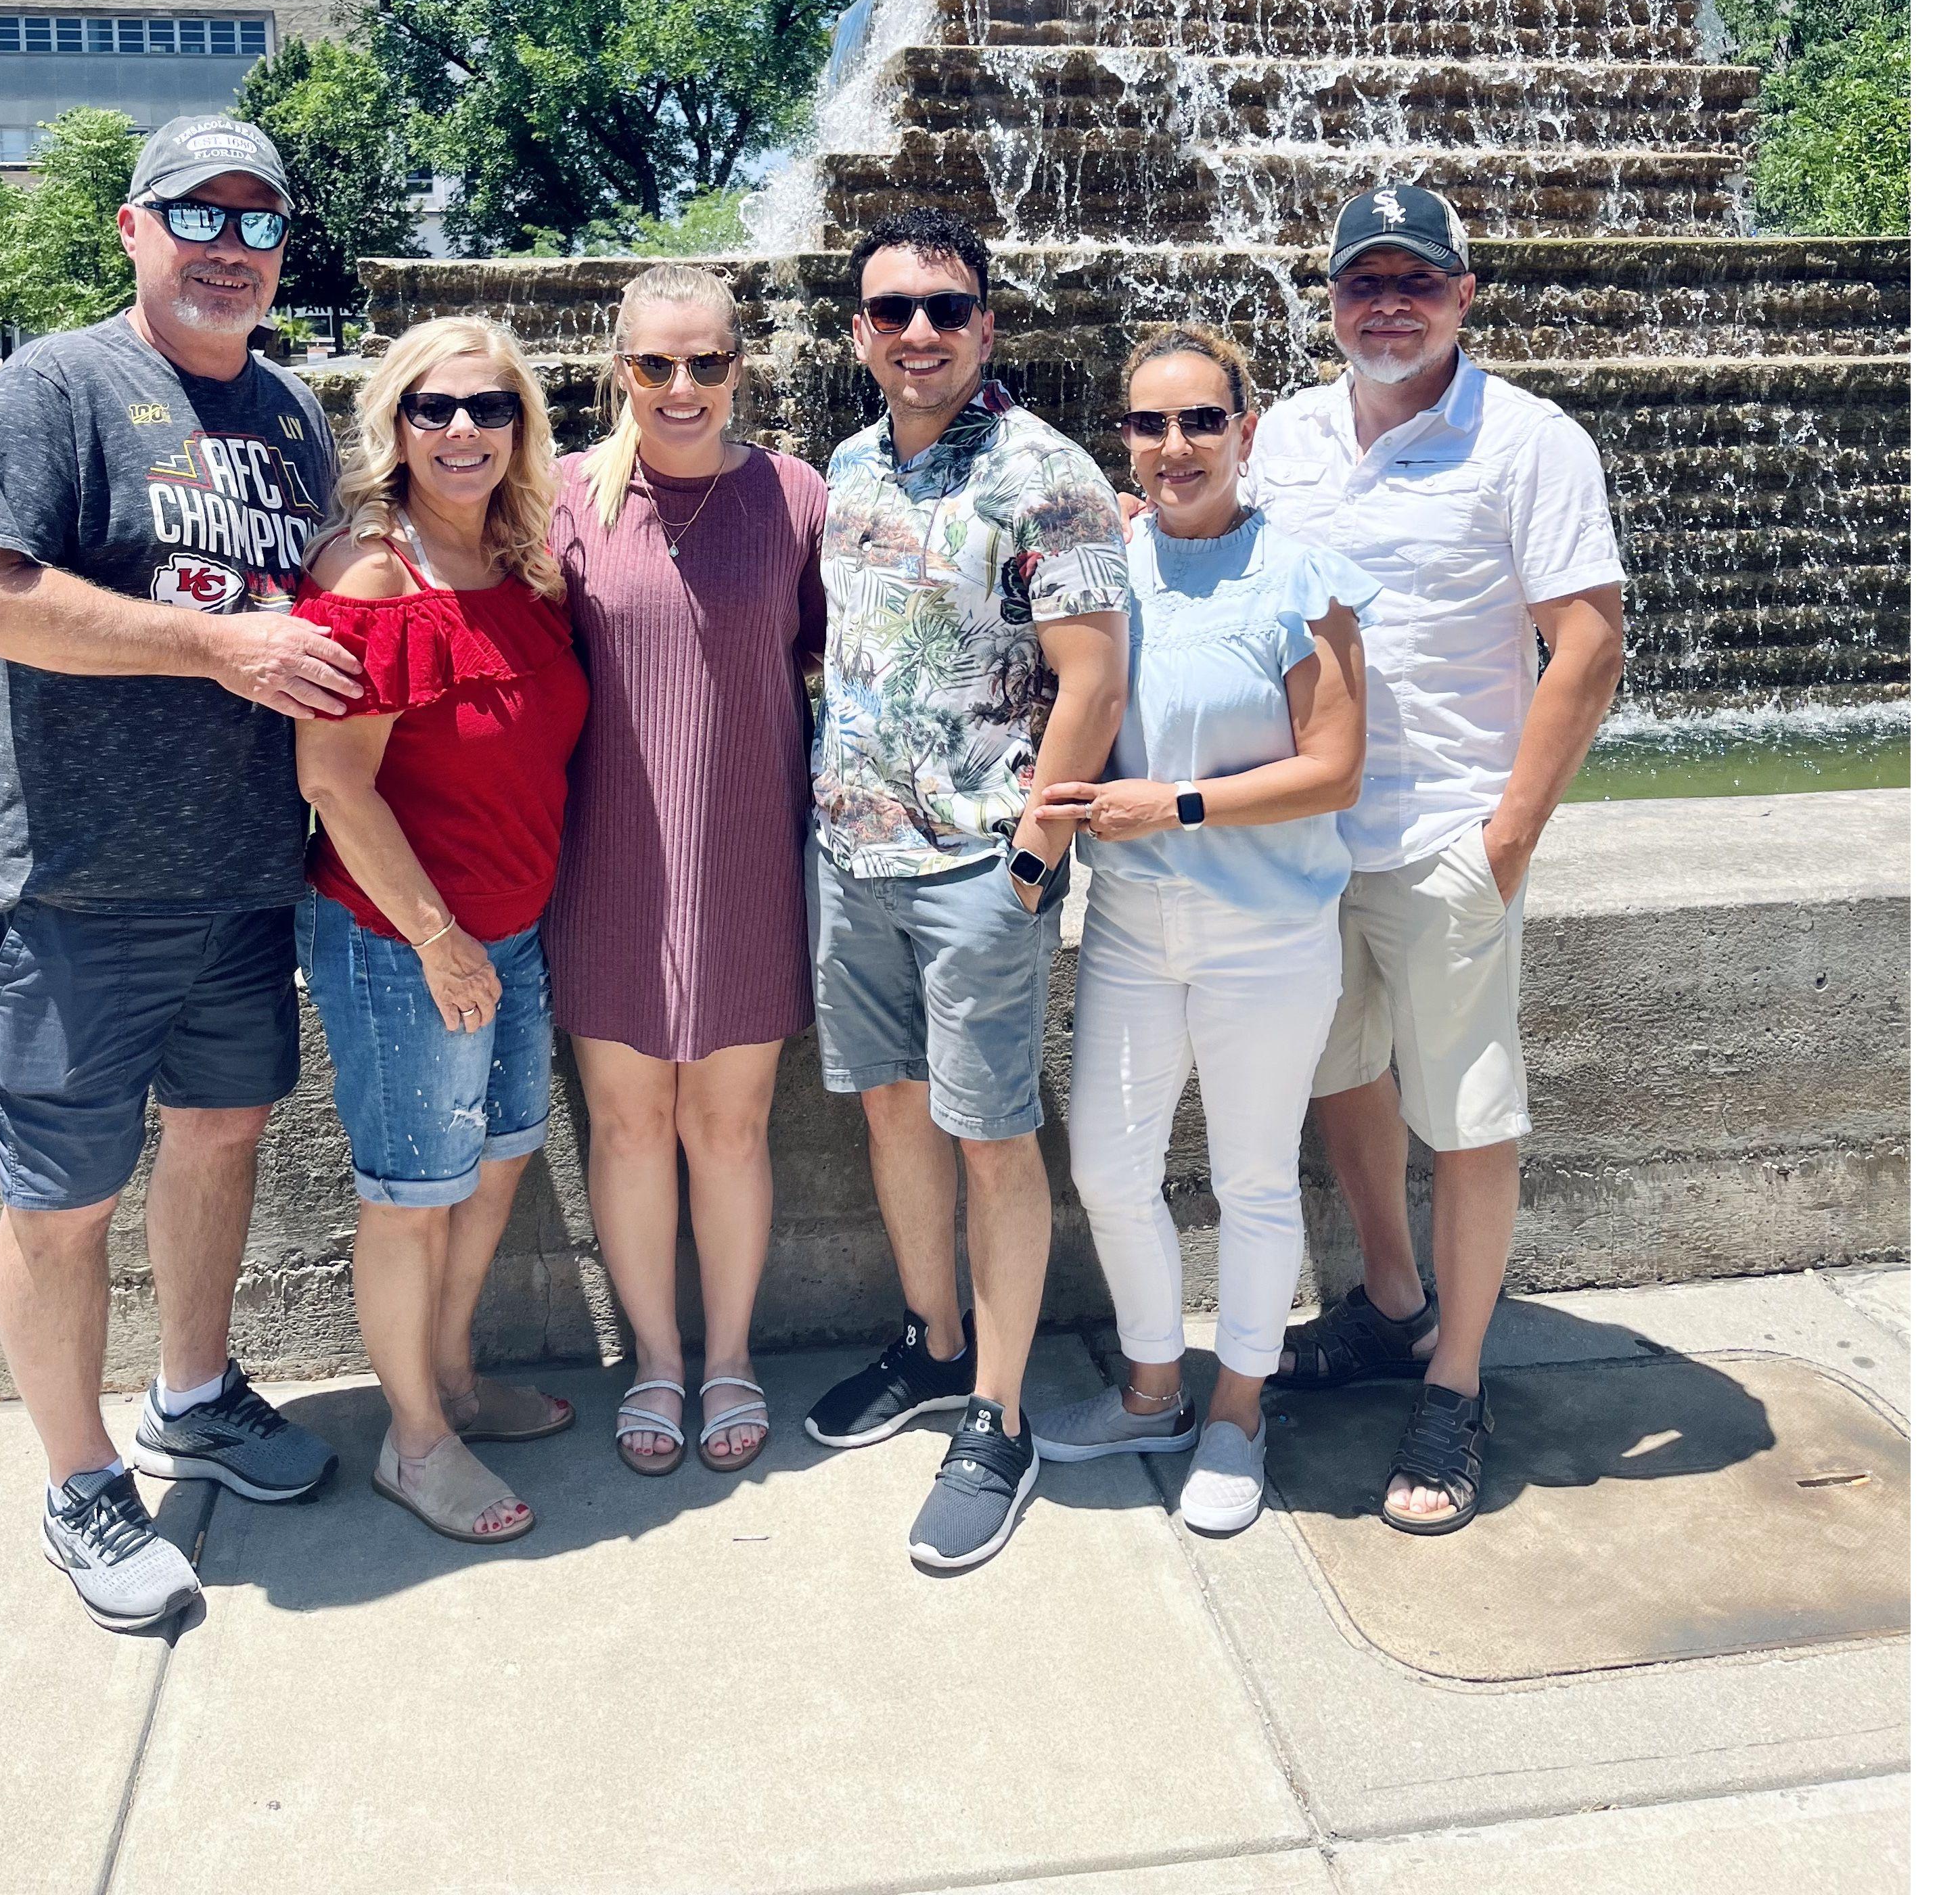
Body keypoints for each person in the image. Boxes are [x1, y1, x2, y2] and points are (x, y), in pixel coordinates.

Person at [0, 114, 356, 1636]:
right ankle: (78, 1477)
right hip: (67, 889)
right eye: (198, 215)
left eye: (258, 219)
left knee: (223, 1135)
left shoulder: (296, 412)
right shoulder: (57, 387)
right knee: (64, 1202)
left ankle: (193, 1389)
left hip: (239, 880)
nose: (230, 247)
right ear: (133, 228)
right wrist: (218, 645)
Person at [1253, 184, 1626, 1536]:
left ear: (1465, 294)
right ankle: (1394, 1308)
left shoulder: (1530, 442)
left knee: (1468, 1111)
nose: (1390, 304)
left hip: (1446, 833)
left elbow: (1586, 641)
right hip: (1307, 837)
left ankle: (1457, 1387)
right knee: (1343, 1070)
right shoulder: (1282, 435)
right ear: (1334, 298)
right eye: (1366, 283)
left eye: (1419, 281)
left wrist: (1510, 835)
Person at [802, 204, 1132, 1574]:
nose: (920, 332)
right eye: (893, 311)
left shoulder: (1047, 473)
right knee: (894, 1111)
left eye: (945, 308)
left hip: (982, 867)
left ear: (987, 325)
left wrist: (1032, 862)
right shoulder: (849, 466)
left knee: (992, 1136)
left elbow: (1096, 678)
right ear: (862, 333)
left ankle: (998, 1413)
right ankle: (934, 1347)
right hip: (852, 857)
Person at [1024, 326, 1377, 1537]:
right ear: (1122, 438)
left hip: (1269, 932)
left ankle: (1237, 1411)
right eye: (1148, 424)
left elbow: (1334, 770)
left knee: (1252, 1179)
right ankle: (1152, 1389)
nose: (1174, 448)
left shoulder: (1304, 576)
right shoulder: (1104, 565)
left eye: (1200, 421)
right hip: (1130, 927)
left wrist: (1166, 805)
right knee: (1108, 1169)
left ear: (1247, 427)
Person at [290, 316, 589, 1548]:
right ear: (395, 427)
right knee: (412, 1196)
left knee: (505, 1153)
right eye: (433, 408)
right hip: (401, 939)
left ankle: (453, 1379)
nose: (462, 430)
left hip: (511, 926)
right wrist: (435, 938)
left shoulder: (520, 560)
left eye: (489, 407)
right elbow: (333, 780)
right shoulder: (376, 575)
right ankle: (413, 1442)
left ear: (521, 424)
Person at [546, 265, 828, 1478]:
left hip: (748, 853)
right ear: (621, 369)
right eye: (656, 364)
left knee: (729, 1123)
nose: (681, 386)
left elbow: (832, 655)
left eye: (706, 362)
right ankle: (654, 1357)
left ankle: (729, 1358)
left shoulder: (796, 496)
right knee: (626, 1122)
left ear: (739, 367)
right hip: (606, 856)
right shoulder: (559, 499)